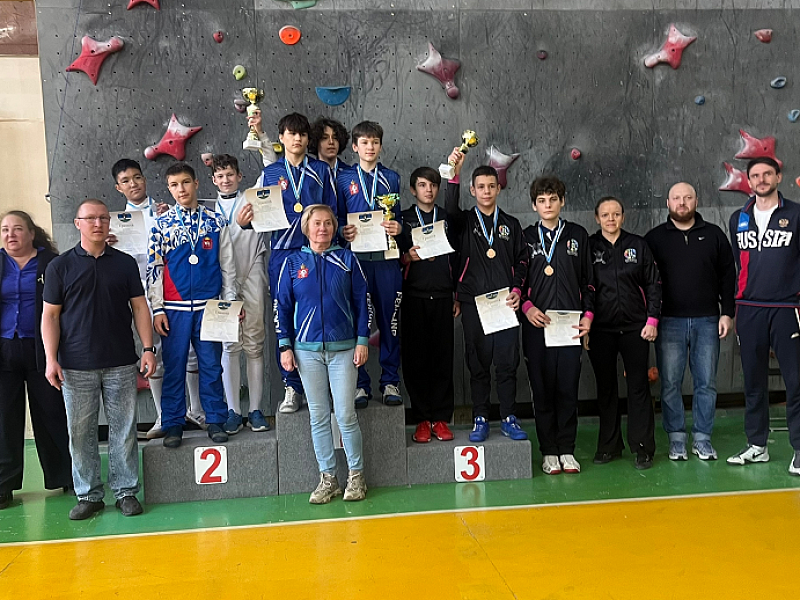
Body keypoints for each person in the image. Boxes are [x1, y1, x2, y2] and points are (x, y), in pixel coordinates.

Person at [42, 199, 156, 519]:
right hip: (75, 365)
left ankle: (125, 491)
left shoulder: (124, 264)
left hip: (121, 361)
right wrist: (51, 359)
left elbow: (139, 307)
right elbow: (50, 316)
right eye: (90, 218)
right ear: (77, 223)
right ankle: (89, 494)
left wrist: (148, 348)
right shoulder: (60, 267)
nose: (98, 223)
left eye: (103, 218)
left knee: (124, 430)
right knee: (80, 433)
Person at [242, 112, 337, 414]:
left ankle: (319, 386)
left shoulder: (321, 170)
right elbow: (257, 216)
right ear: (281, 138)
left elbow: (332, 211)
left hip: (316, 252)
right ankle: (291, 387)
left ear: (308, 140)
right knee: (283, 317)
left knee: (320, 315)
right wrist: (245, 222)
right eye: (291, 134)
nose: (297, 139)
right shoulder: (270, 173)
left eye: (302, 134)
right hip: (282, 253)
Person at [275, 204, 369, 503]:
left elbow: (362, 302)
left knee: (345, 415)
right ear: (306, 228)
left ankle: (356, 477)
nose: (323, 228)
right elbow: (282, 306)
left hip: (344, 350)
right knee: (318, 416)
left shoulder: (347, 259)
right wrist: (285, 345)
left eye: (328, 223)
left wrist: (363, 341)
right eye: (317, 223)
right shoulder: (292, 263)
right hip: (306, 352)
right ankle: (328, 479)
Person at [110, 158, 206, 438]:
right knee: (153, 352)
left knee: (190, 351)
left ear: (144, 179)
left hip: (174, 290)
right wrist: (108, 242)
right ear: (118, 188)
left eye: (137, 177)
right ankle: (164, 415)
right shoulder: (114, 225)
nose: (133, 184)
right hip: (138, 294)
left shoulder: (166, 212)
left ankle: (196, 409)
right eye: (126, 181)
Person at [147, 162, 237, 448]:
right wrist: (158, 309)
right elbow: (154, 268)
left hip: (210, 306)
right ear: (168, 188)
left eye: (185, 182)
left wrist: (230, 302)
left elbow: (227, 264)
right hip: (174, 308)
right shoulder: (160, 224)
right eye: (174, 185)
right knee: (174, 366)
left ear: (196, 183)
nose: (181, 189)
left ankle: (215, 419)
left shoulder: (216, 221)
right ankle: (173, 423)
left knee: (211, 365)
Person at [645, 182, 735, 461]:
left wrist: (727, 313)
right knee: (670, 383)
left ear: (697, 201)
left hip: (707, 320)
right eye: (676, 198)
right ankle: (676, 439)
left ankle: (702, 439)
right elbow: (646, 282)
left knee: (706, 382)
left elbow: (728, 276)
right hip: (668, 322)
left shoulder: (714, 235)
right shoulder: (654, 239)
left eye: (687, 197)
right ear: (668, 203)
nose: (681, 202)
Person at [444, 151, 528, 442]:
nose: (487, 191)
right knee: (477, 363)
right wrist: (454, 172)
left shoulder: (511, 224)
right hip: (473, 302)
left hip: (505, 303)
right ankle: (480, 417)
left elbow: (522, 261)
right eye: (480, 187)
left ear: (499, 188)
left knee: (507, 363)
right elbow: (450, 208)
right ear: (472, 190)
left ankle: (508, 416)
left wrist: (517, 289)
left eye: (491, 186)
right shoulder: (464, 221)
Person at [727, 157, 800, 474]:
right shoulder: (738, 217)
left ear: (778, 177)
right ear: (749, 181)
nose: (761, 179)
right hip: (749, 310)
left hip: (787, 308)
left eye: (767, 174)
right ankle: (757, 445)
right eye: (755, 175)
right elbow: (738, 262)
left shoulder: (796, 214)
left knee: (796, 382)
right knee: (753, 382)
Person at [521, 176, 593, 475]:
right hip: (537, 326)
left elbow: (589, 282)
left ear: (562, 201)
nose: (547, 205)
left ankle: (567, 449)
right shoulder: (526, 237)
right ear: (534, 205)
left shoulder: (578, 235)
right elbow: (517, 281)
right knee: (542, 390)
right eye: (541, 200)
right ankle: (548, 451)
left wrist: (588, 316)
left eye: (553, 199)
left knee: (567, 390)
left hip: (569, 326)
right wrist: (527, 307)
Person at [0, 212, 72, 510]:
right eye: (5, 230)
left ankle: (65, 476)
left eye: (17, 229)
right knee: (4, 418)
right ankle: (4, 485)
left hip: (42, 348)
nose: (10, 235)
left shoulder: (51, 263)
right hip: (5, 348)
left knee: (51, 412)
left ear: (32, 233)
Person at [587, 197, 660, 469]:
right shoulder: (590, 247)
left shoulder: (638, 245)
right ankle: (609, 446)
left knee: (638, 386)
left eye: (616, 214)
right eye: (605, 215)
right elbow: (584, 287)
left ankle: (643, 448)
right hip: (601, 329)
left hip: (635, 328)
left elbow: (653, 284)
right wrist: (586, 324)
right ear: (597, 218)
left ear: (623, 217)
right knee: (606, 388)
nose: (611, 219)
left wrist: (652, 319)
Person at [337, 120, 404, 408]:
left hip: (387, 261)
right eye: (364, 142)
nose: (370, 147)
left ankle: (390, 381)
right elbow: (338, 216)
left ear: (380, 145)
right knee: (357, 323)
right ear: (355, 146)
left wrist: (399, 228)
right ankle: (360, 384)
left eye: (375, 142)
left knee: (391, 322)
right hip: (357, 262)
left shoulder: (391, 178)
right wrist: (342, 230)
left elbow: (397, 216)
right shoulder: (343, 179)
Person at [208, 154, 269, 435]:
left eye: (230, 174)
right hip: (222, 283)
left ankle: (255, 410)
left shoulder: (250, 198)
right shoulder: (207, 210)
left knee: (254, 343)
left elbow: (270, 168)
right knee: (229, 345)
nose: (226, 180)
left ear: (240, 176)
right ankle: (233, 411)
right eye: (220, 176)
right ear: (213, 180)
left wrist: (260, 137)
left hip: (252, 271)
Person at [398, 167, 457, 443]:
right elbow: (393, 256)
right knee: (416, 361)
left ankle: (441, 418)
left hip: (443, 295)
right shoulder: (403, 219)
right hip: (414, 296)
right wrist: (406, 258)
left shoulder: (447, 217)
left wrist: (457, 293)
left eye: (433, 185)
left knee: (443, 359)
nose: (429, 190)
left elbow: (458, 257)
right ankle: (422, 418)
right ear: (413, 190)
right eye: (422, 185)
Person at [309, 117, 350, 182]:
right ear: (316, 142)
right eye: (325, 138)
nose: (331, 142)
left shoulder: (349, 172)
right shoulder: (309, 172)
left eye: (335, 138)